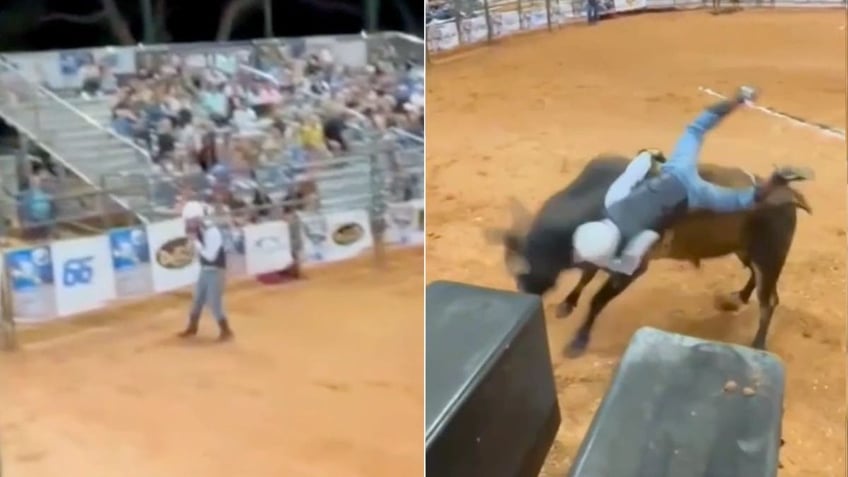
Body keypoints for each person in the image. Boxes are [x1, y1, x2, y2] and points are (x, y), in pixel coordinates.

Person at [572, 86, 806, 275]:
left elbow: (638, 260)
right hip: (674, 171)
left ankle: (775, 179)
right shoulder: (613, 200)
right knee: (695, 129)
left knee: (741, 200)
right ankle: (739, 99)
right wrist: (648, 155)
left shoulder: (633, 249)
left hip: (693, 196)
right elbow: (635, 169)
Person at [177, 200, 234, 341]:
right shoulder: (199, 231)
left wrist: (195, 242)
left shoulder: (212, 232)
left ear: (197, 219)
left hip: (216, 270)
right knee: (197, 299)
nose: (188, 224)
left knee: (213, 301)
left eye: (190, 221)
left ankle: (226, 330)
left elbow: (210, 255)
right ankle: (192, 327)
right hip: (206, 269)